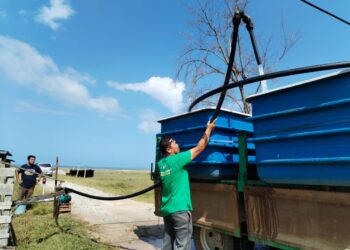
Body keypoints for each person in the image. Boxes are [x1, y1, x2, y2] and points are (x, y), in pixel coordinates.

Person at [157, 119, 217, 250]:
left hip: (167, 210)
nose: (177, 144)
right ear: (169, 149)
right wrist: (209, 129)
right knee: (182, 245)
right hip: (179, 210)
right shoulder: (177, 160)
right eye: (174, 143)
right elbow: (200, 147)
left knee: (167, 245)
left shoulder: (161, 164)